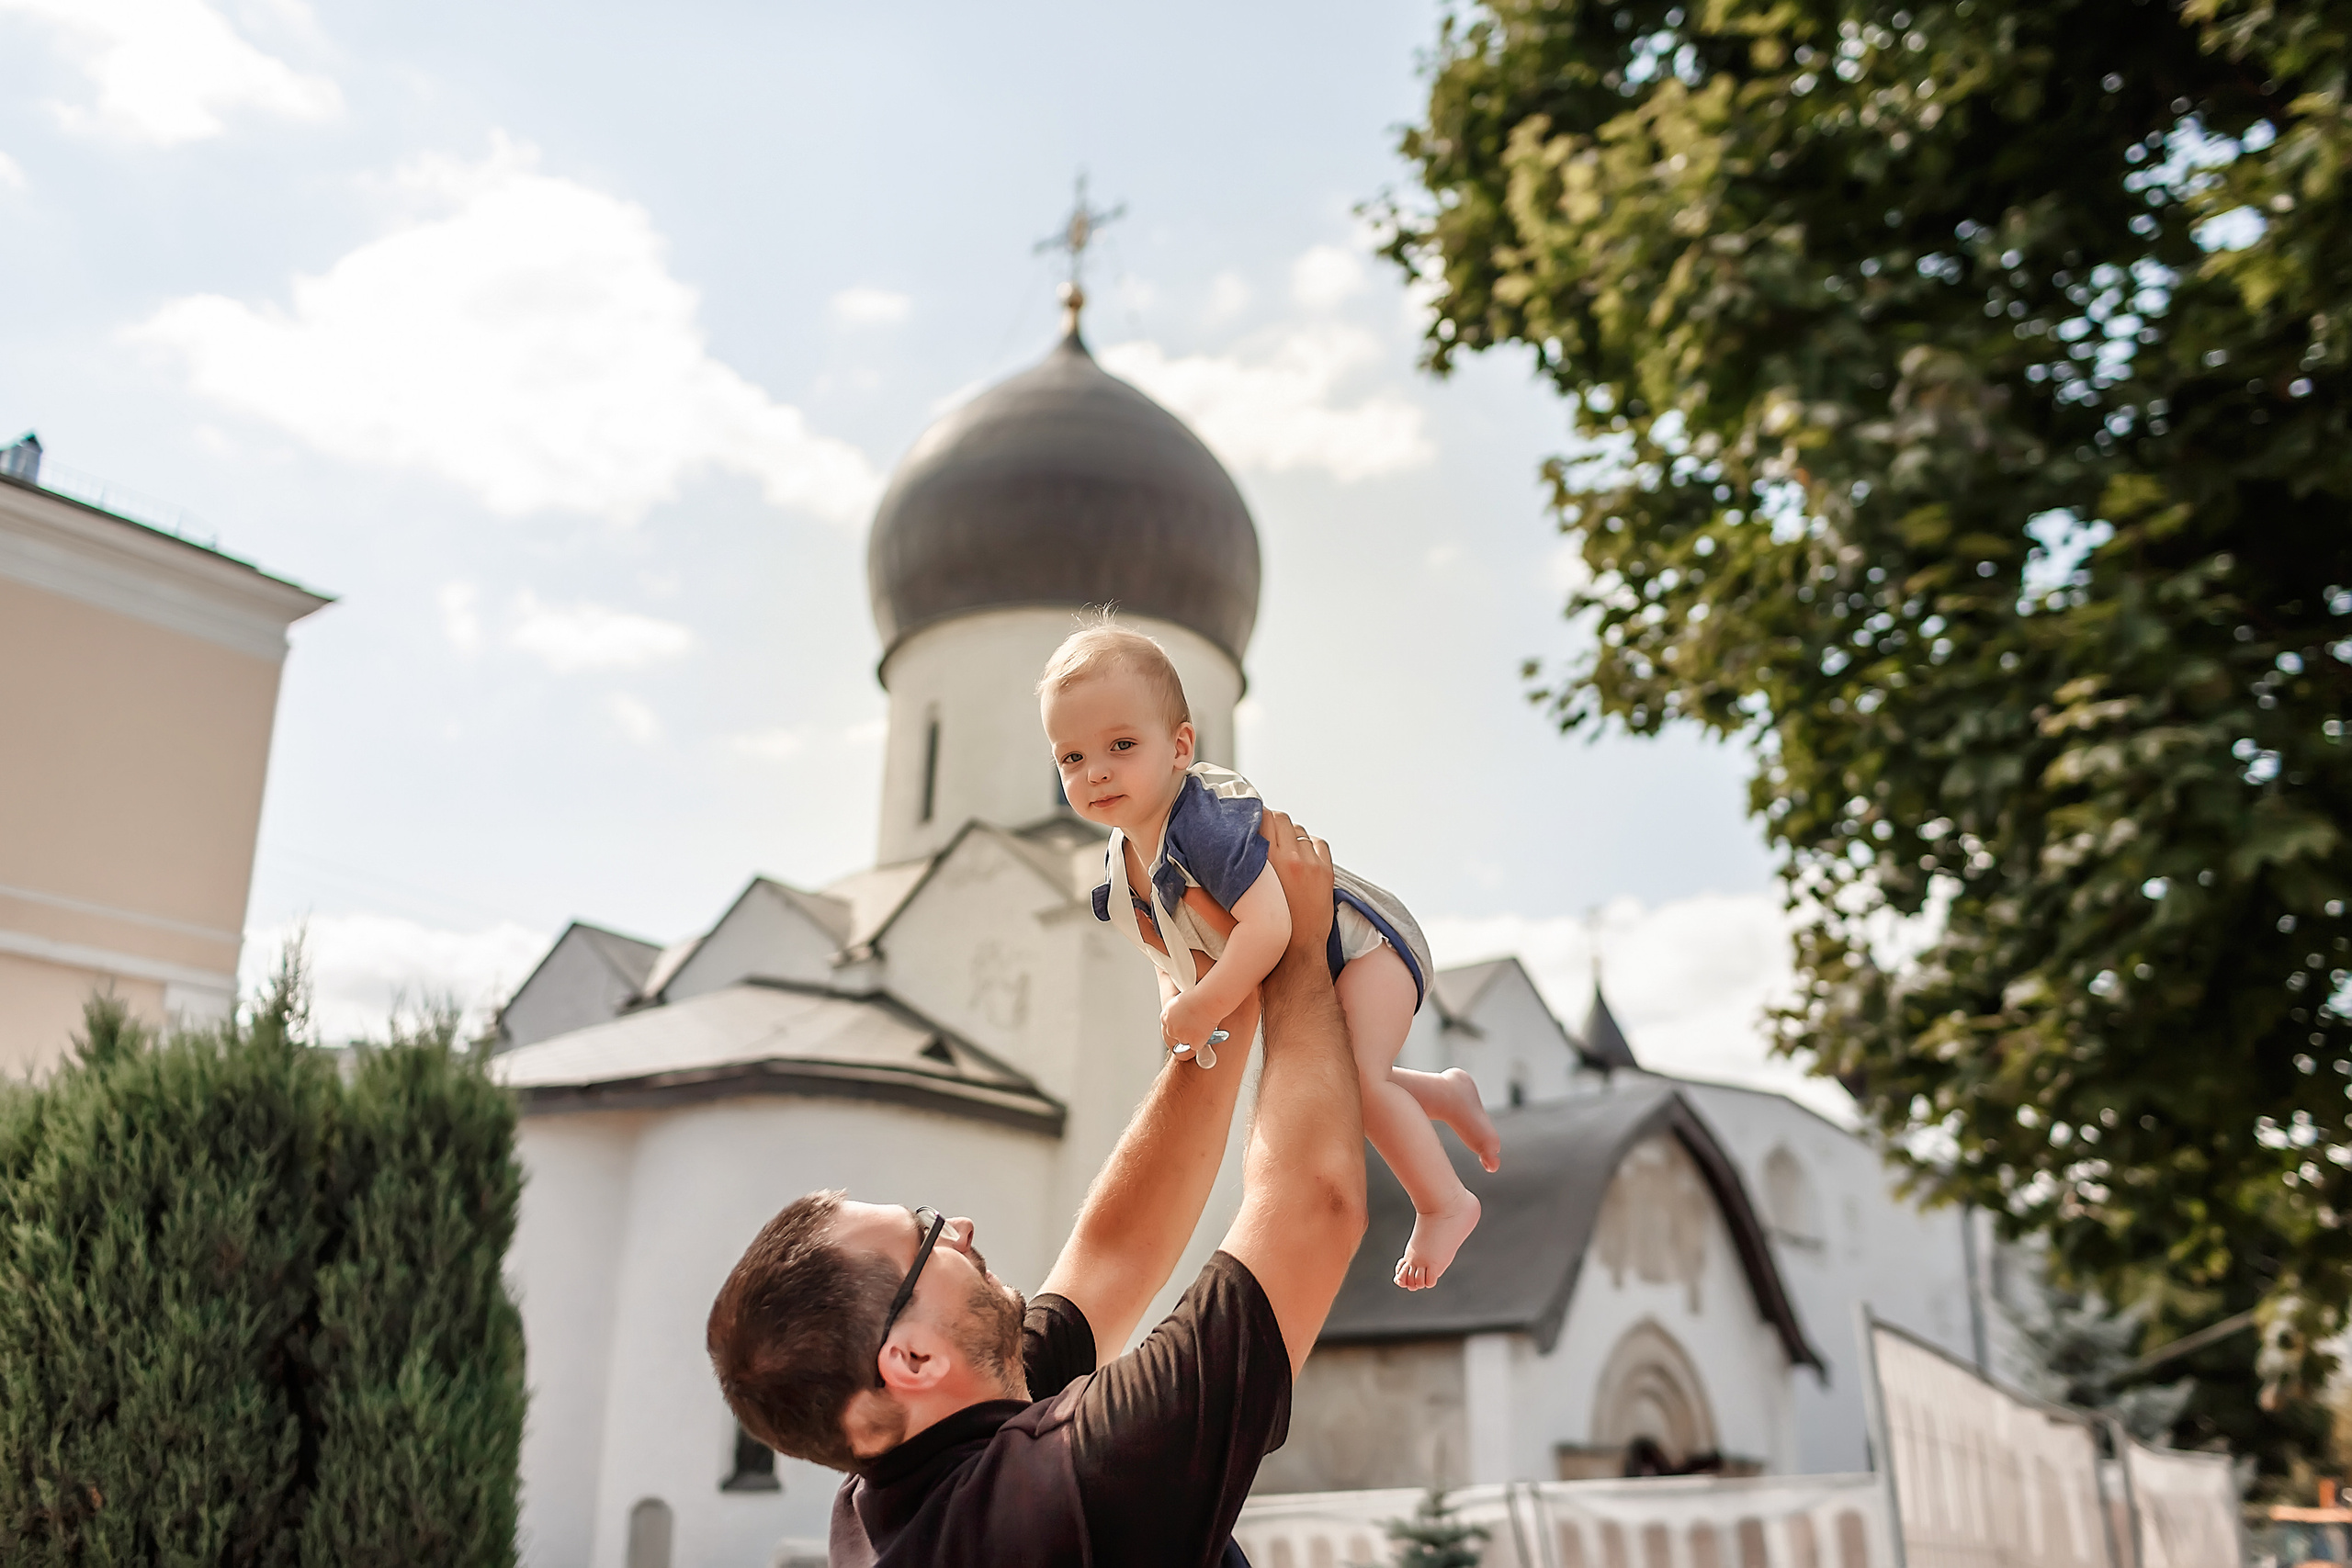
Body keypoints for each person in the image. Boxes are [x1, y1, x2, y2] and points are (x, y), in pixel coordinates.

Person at [707, 810, 1368, 1568]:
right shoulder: (1066, 1492)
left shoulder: (906, 1480)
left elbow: (1114, 1255)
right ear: (911, 1359)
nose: (959, 1226)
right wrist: (1296, 949)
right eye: (926, 1235)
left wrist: (1222, 1001)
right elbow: (1315, 1204)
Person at [1037, 620, 1500, 1290]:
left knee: (1358, 1080)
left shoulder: (1201, 822)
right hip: (1323, 960)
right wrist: (1179, 1005)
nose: (1096, 771)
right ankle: (1446, 1093)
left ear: (1180, 746)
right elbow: (1166, 951)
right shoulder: (1121, 863)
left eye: (1122, 745)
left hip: (1366, 943)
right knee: (1351, 1083)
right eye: (1072, 758)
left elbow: (1271, 927)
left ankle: (1444, 1203)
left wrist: (1204, 1003)